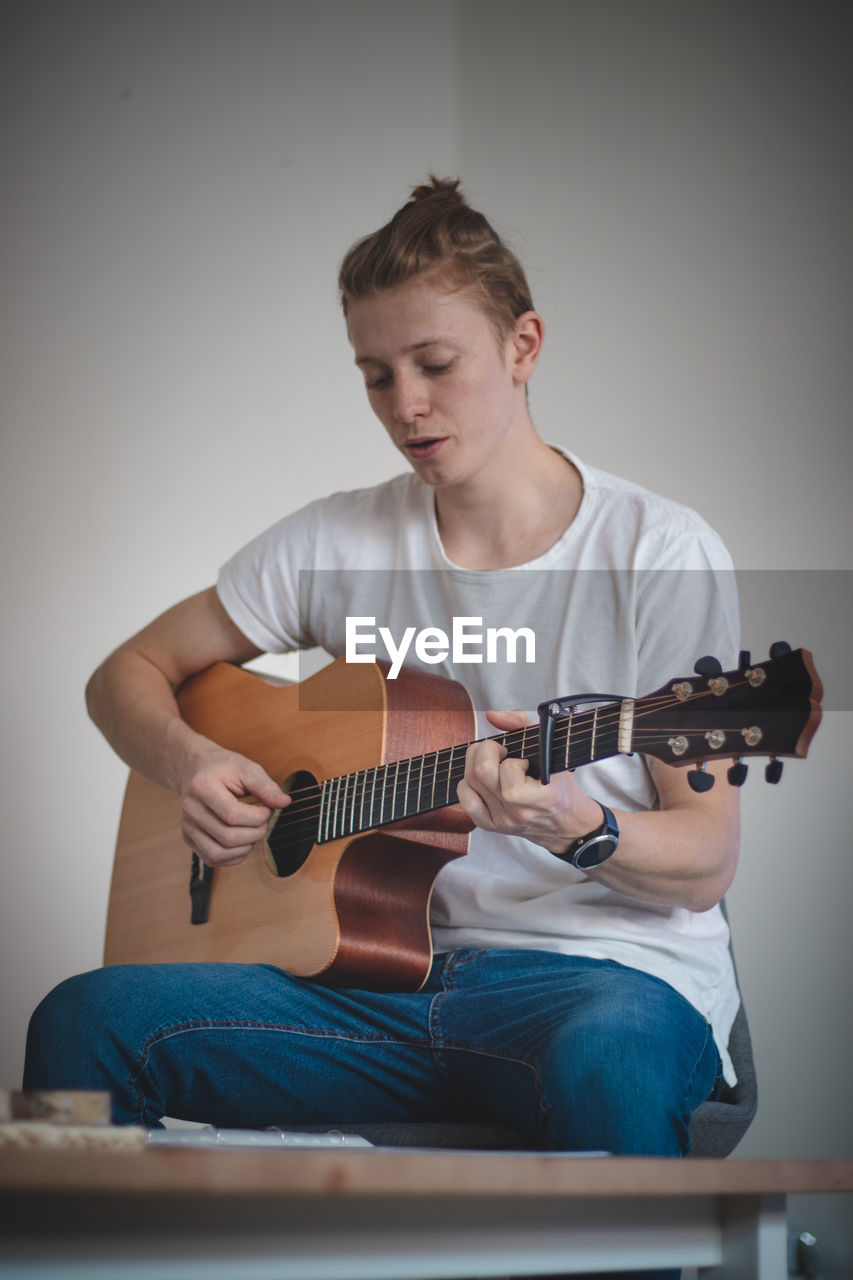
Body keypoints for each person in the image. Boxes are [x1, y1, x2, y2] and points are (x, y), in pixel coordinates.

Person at [25, 178, 741, 1178]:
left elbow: (706, 857)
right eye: (375, 374)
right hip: (367, 981)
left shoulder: (656, 549)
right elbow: (124, 674)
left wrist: (577, 825)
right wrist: (190, 759)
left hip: (599, 984)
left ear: (523, 346)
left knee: (610, 1062)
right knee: (81, 1023)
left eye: (434, 364)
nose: (405, 405)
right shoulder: (337, 538)